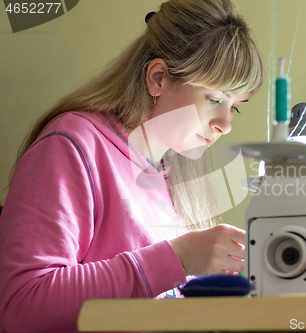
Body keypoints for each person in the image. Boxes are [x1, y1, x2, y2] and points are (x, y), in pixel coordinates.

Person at [0, 0, 263, 332]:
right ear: (158, 79)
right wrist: (176, 258)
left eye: (235, 107)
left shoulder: (166, 175)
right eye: (214, 100)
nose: (225, 125)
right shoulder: (72, 146)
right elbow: (23, 307)